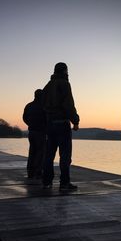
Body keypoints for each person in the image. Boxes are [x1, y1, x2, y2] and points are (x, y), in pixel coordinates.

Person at [42, 62, 80, 191]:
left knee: (49, 155)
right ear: (65, 71)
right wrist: (75, 121)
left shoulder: (47, 86)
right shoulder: (64, 84)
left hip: (50, 124)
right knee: (65, 155)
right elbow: (68, 104)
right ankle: (64, 183)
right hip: (62, 123)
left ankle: (46, 181)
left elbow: (42, 105)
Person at [23, 89, 47, 179]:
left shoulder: (28, 106)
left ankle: (30, 172)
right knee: (40, 152)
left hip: (31, 132)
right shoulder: (43, 106)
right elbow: (47, 118)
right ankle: (38, 172)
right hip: (40, 132)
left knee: (32, 152)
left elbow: (24, 118)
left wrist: (30, 124)